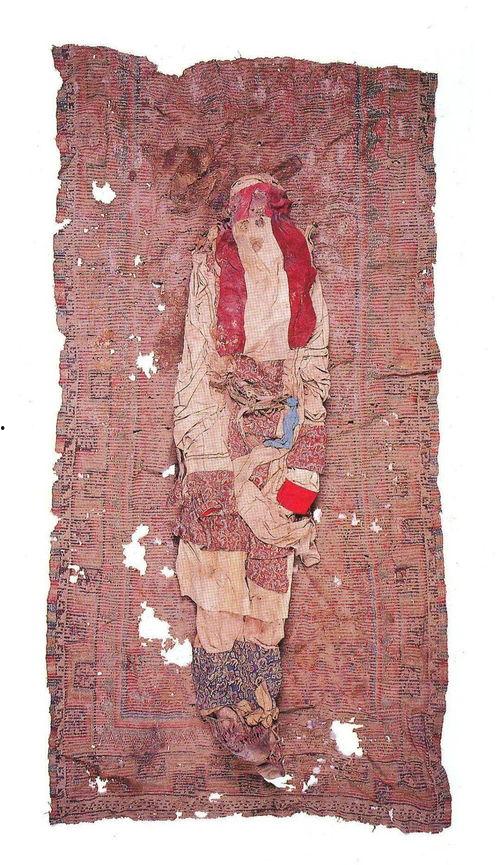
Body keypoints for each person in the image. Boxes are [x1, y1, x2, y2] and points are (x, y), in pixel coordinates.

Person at [173, 173, 330, 780]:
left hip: (282, 431)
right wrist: (201, 444)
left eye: (265, 217)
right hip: (218, 425)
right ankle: (223, 700)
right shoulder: (212, 269)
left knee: (270, 568)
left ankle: (259, 702)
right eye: (246, 218)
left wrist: (303, 439)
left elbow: (314, 366)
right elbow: (197, 358)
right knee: (218, 571)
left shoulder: (301, 272)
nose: (255, 230)